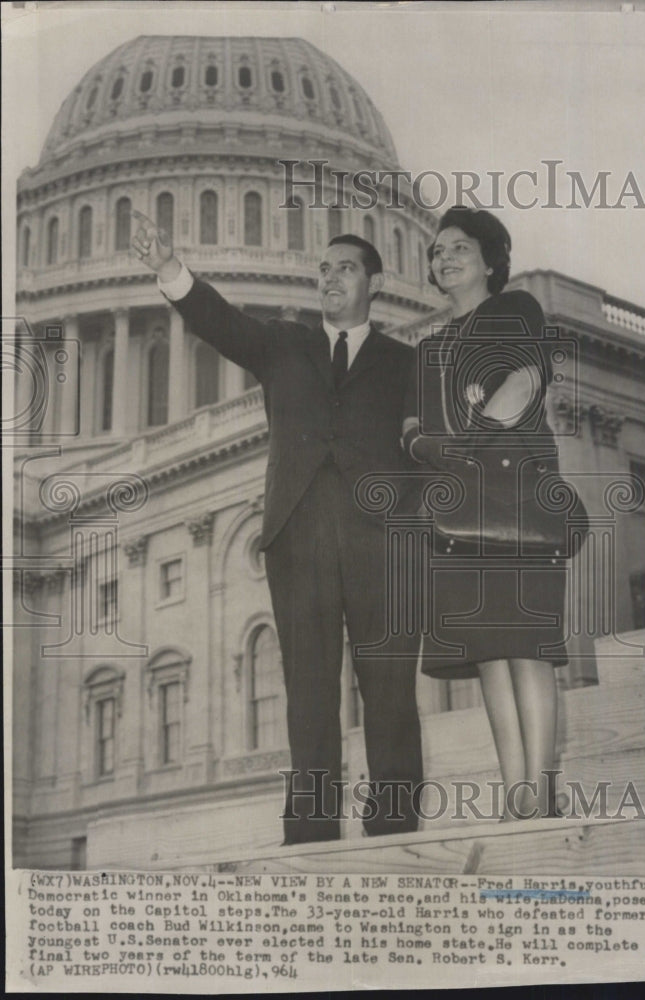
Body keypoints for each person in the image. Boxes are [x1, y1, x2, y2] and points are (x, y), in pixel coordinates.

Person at [131, 210, 423, 845]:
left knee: (391, 689)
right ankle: (313, 825)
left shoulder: (406, 362)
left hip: (384, 539)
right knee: (310, 688)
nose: (329, 278)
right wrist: (168, 269)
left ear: (376, 282)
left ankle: (397, 822)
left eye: (344, 267)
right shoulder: (284, 343)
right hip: (302, 532)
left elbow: (426, 450)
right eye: (323, 269)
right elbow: (220, 323)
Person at [402, 206, 567, 821]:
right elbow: (412, 431)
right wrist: (433, 448)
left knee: (529, 647)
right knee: (490, 654)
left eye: (459, 248)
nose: (444, 258)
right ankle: (517, 793)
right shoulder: (429, 349)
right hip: (461, 508)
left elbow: (525, 383)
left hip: (519, 494)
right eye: (438, 251)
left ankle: (543, 795)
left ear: (491, 259)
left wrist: (457, 448)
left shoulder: (516, 310)